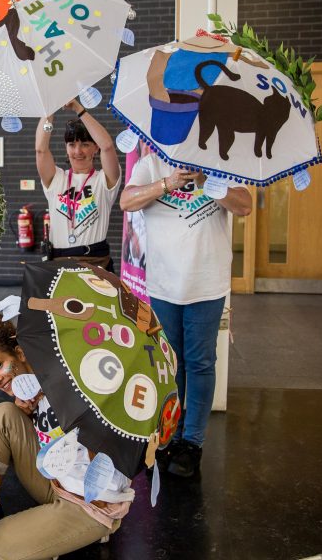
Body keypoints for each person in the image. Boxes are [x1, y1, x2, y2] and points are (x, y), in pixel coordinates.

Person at [121, 156, 251, 477]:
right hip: (164, 284)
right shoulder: (151, 162)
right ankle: (171, 435)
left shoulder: (221, 159)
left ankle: (192, 443)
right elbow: (127, 200)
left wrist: (208, 181)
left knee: (201, 361)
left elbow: (244, 205)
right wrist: (168, 183)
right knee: (171, 363)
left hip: (207, 281)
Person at [0, 315, 132, 560]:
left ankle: (81, 531)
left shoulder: (72, 377)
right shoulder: (30, 390)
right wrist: (28, 410)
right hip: (56, 478)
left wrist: (55, 393)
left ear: (21, 353)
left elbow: (106, 435)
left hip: (89, 501)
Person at [36, 98, 121, 271]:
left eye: (85, 144)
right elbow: (41, 150)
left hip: (95, 263)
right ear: (66, 148)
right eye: (72, 144)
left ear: (95, 148)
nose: (77, 151)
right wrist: (49, 109)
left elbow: (108, 147)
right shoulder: (56, 178)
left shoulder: (103, 180)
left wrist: (78, 108)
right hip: (58, 263)